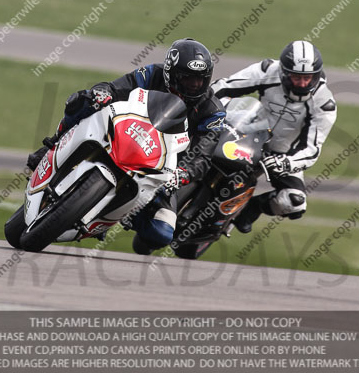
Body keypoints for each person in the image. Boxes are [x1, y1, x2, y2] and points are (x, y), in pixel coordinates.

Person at [27, 38, 226, 254]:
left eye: (200, 80)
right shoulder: (152, 74)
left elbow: (203, 155)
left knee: (161, 233)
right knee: (83, 101)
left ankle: (117, 214)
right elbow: (118, 87)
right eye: (187, 79)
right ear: (171, 72)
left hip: (161, 168)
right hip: (127, 132)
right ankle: (53, 145)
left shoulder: (213, 111)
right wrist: (102, 92)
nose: (194, 85)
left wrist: (182, 174)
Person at [212, 40, 337, 233]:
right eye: (296, 77)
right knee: (204, 139)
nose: (303, 83)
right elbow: (223, 86)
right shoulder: (267, 70)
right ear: (284, 72)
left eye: (308, 78)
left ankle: (251, 208)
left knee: (295, 202)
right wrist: (206, 105)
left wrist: (286, 163)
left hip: (283, 154)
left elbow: (312, 150)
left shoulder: (324, 103)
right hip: (248, 131)